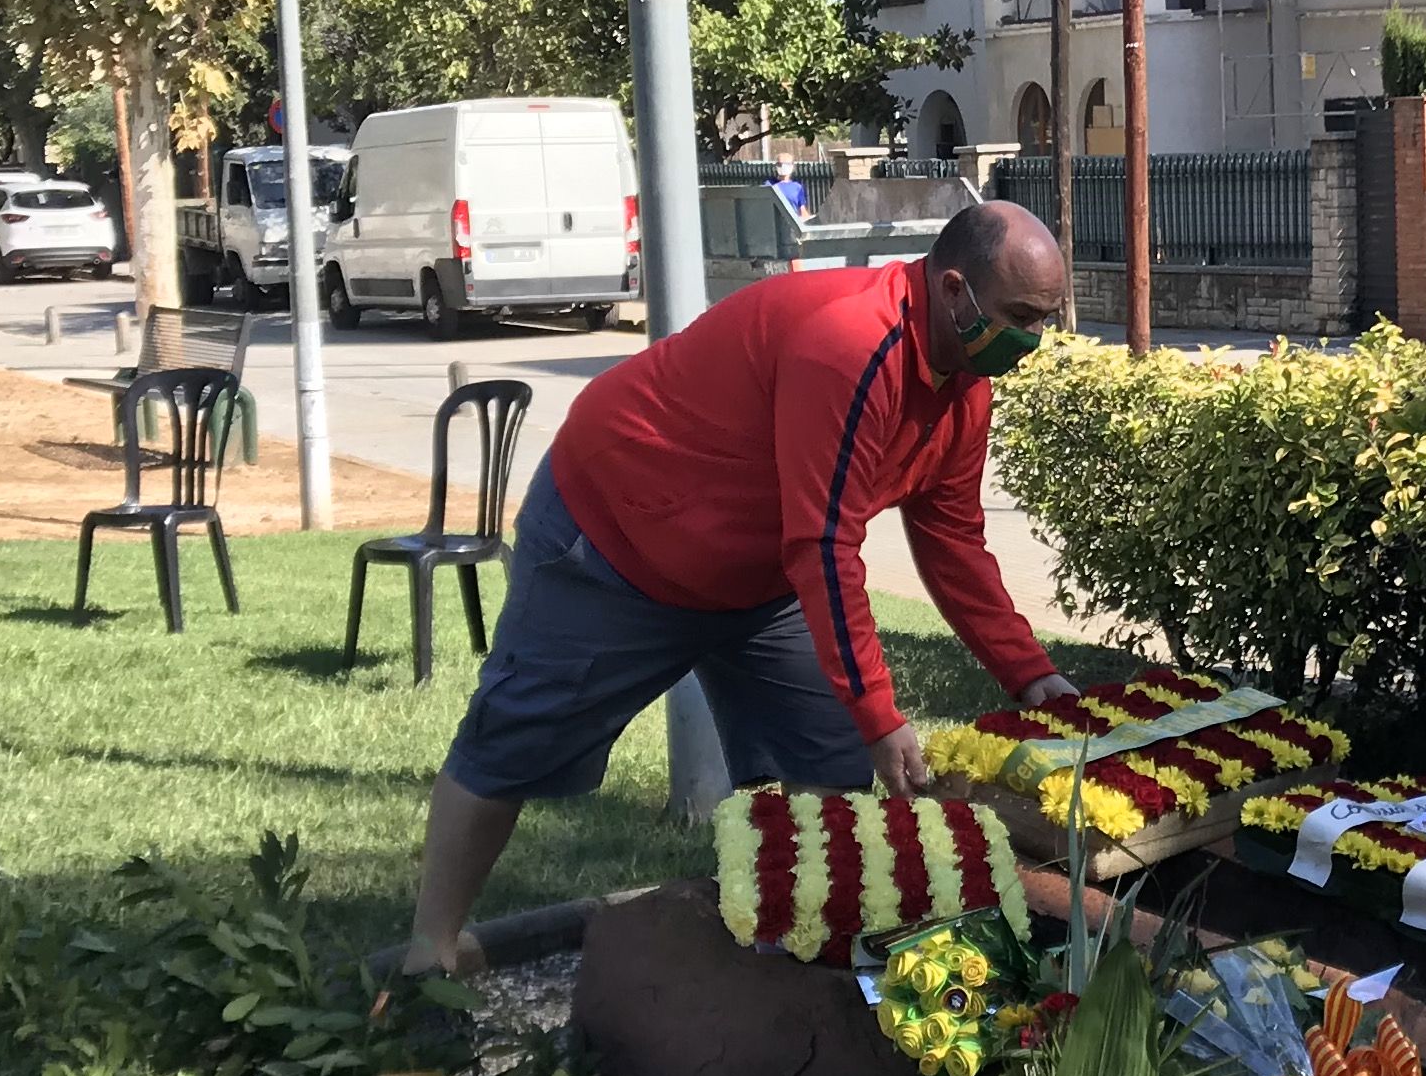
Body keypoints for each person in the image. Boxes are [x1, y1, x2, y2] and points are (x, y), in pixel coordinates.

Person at [406, 197, 1082, 968]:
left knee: (824, 781)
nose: (1031, 338)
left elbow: (953, 538)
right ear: (954, 287)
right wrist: (879, 712)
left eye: (1045, 318)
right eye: (1020, 314)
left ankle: (781, 963)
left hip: (757, 577)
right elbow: (826, 544)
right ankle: (432, 949)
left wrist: (1031, 677)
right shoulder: (853, 345)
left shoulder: (965, 384)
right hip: (619, 534)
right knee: (514, 736)